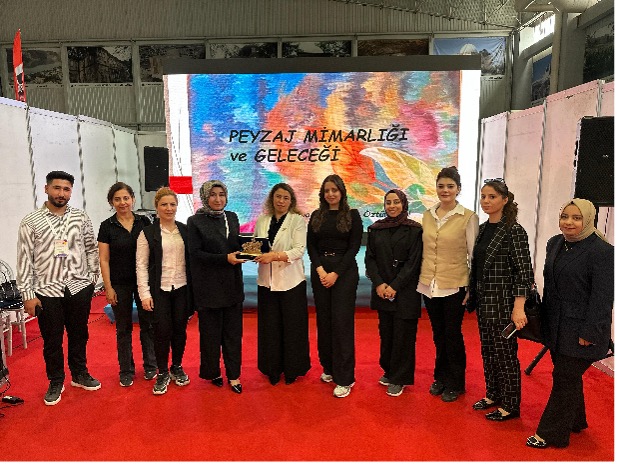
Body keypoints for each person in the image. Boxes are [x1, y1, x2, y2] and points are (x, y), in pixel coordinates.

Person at [526, 199, 613, 449]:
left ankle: (551, 434)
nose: (569, 222)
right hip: (555, 326)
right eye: (565, 216)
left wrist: (590, 332)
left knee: (564, 377)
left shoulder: (603, 252)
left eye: (576, 218)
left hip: (582, 331)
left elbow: (602, 298)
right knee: (569, 377)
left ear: (588, 220)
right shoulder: (555, 243)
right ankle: (576, 420)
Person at [16, 170, 101, 406]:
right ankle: (56, 380)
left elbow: (91, 249)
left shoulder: (80, 218)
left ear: (71, 191)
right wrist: (28, 294)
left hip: (78, 287)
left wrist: (92, 279)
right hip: (47, 290)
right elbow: (24, 259)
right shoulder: (31, 221)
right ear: (46, 189)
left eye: (66, 189)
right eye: (57, 188)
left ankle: (79, 374)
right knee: (52, 340)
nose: (61, 193)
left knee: (79, 334)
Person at [467, 178, 534, 421]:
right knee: (488, 352)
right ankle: (493, 393)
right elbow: (478, 267)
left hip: (505, 305)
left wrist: (519, 308)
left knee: (505, 355)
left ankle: (510, 405)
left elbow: (524, 273)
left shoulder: (514, 231)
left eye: (492, 197)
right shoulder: (483, 228)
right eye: (483, 196)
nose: (486, 201)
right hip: (484, 302)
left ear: (505, 200)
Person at [417, 166, 479, 402]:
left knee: (452, 334)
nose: (445, 190)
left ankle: (456, 382)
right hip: (429, 284)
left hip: (455, 285)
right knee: (438, 334)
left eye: (450, 186)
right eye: (441, 186)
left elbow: (474, 256)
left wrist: (471, 288)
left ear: (458, 189)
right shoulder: (427, 214)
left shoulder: (468, 217)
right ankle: (440, 377)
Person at [187, 180, 245, 394]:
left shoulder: (232, 217)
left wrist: (251, 251)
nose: (218, 199)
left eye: (221, 194)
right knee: (210, 336)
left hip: (232, 286)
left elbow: (236, 245)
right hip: (208, 288)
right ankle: (213, 372)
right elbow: (195, 254)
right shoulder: (195, 221)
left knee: (233, 335)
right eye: (213, 194)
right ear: (205, 197)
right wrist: (225, 259)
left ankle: (234, 375)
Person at [307, 174, 362, 398]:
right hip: (321, 272)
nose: (331, 194)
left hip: (344, 273)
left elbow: (354, 247)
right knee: (325, 321)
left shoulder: (352, 215)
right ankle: (329, 367)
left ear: (341, 192)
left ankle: (345, 378)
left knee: (341, 324)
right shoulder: (316, 215)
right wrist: (321, 271)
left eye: (334, 190)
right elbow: (311, 246)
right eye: (327, 190)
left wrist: (336, 273)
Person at [98, 182, 157, 387]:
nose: (122, 202)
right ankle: (126, 370)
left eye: (126, 198)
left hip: (144, 283)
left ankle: (151, 365)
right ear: (111, 202)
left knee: (148, 324)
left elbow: (153, 253)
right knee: (123, 328)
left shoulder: (144, 221)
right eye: (117, 199)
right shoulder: (107, 226)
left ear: (133, 199)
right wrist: (108, 287)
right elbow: (104, 259)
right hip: (119, 284)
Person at [365, 189, 423, 397]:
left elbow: (413, 263)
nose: (392, 206)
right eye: (388, 202)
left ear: (404, 204)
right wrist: (379, 283)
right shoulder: (376, 229)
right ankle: (389, 371)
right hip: (382, 290)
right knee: (387, 334)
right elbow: (370, 259)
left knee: (403, 336)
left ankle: (400, 378)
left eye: (396, 202)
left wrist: (395, 286)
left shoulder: (414, 230)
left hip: (405, 291)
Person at [253, 183, 311, 386]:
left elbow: (298, 251)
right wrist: (251, 254)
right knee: (270, 328)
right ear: (272, 198)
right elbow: (256, 245)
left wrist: (274, 256)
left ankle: (292, 369)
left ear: (291, 201)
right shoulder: (262, 220)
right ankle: (273, 369)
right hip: (266, 283)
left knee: (293, 328)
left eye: (286, 198)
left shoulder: (298, 220)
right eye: (278, 196)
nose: (281, 201)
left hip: (291, 282)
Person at [136, 187, 192, 395]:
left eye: (172, 204)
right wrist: (145, 294)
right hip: (159, 290)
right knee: (161, 332)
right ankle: (162, 372)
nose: (169, 208)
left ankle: (176, 366)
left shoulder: (185, 230)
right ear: (157, 207)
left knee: (180, 330)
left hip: (182, 288)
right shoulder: (147, 233)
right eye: (164, 204)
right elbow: (141, 265)